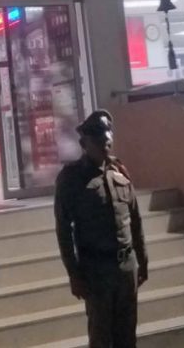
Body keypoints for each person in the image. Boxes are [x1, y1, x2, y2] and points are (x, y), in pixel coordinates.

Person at [54, 109, 149, 348]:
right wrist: (74, 274)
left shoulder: (120, 172)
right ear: (84, 144)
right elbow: (64, 230)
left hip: (126, 267)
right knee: (101, 337)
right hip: (97, 271)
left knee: (127, 335)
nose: (105, 142)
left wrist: (142, 260)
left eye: (107, 137)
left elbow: (135, 219)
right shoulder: (72, 178)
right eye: (97, 139)